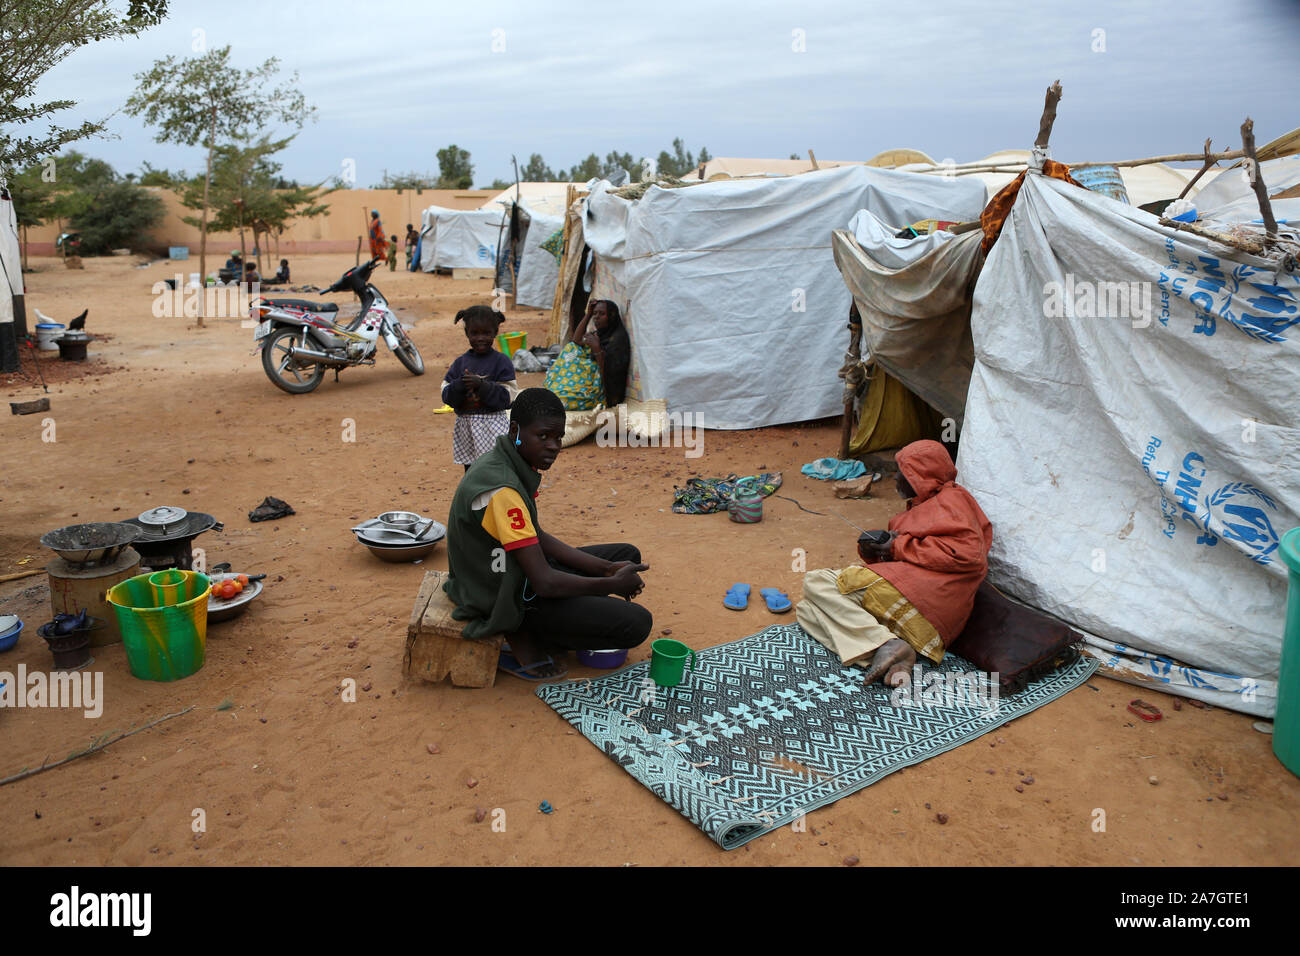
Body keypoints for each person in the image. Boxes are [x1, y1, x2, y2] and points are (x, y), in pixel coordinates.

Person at [444, 387, 652, 680]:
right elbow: (544, 583)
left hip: (510, 568)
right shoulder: (502, 489)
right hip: (500, 593)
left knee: (625, 555)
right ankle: (527, 633)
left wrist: (606, 570)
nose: (554, 446)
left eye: (557, 437)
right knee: (637, 624)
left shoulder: (503, 459)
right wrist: (611, 583)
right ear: (515, 430)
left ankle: (561, 619)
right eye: (543, 436)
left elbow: (536, 535)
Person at [795, 440, 992, 688]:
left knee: (817, 581)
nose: (897, 479)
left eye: (904, 473)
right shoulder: (920, 507)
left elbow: (970, 555)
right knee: (807, 611)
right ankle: (893, 653)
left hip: (929, 604)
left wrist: (896, 546)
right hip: (913, 609)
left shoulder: (952, 501)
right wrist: (875, 549)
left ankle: (885, 644)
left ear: (923, 476)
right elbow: (909, 552)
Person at [442, 306, 518, 470]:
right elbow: (446, 393)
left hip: (493, 428)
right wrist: (460, 385)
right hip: (466, 429)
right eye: (474, 333)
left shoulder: (501, 361)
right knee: (471, 470)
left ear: (495, 332)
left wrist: (482, 386)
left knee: (495, 467)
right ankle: (476, 494)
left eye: (486, 333)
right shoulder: (461, 363)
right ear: (467, 333)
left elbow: (508, 396)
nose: (480, 338)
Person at [575, 299, 631, 407]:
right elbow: (576, 341)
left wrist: (596, 348)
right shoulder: (602, 334)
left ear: (612, 316)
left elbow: (610, 374)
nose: (596, 317)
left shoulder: (618, 340)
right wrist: (588, 314)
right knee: (570, 350)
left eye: (602, 314)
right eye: (595, 313)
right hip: (592, 384)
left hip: (608, 393)